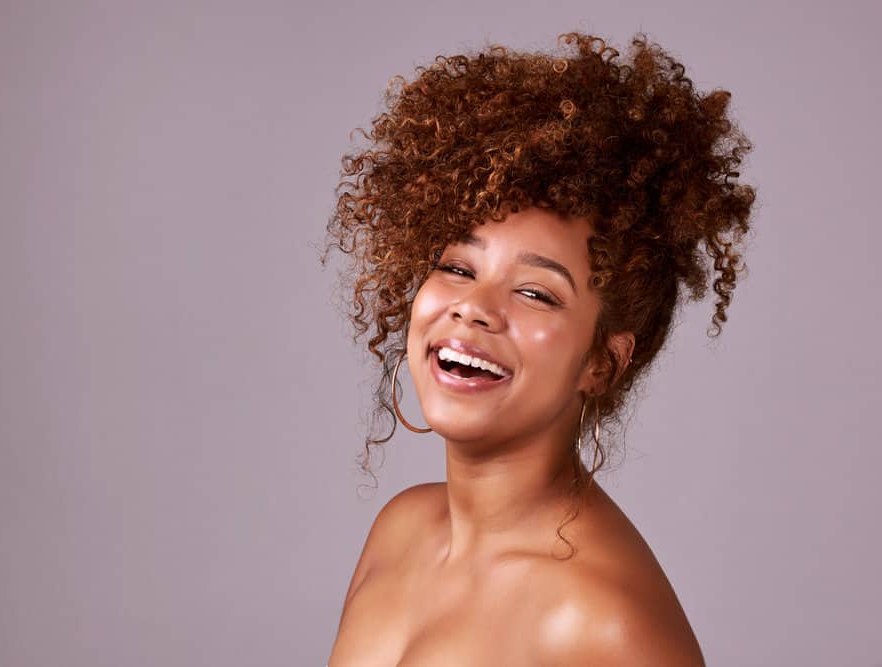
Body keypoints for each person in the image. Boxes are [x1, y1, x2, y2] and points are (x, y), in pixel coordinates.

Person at [319, 30, 756, 666]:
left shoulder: (604, 620)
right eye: (458, 269)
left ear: (603, 362)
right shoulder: (400, 530)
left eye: (536, 293)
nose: (474, 307)